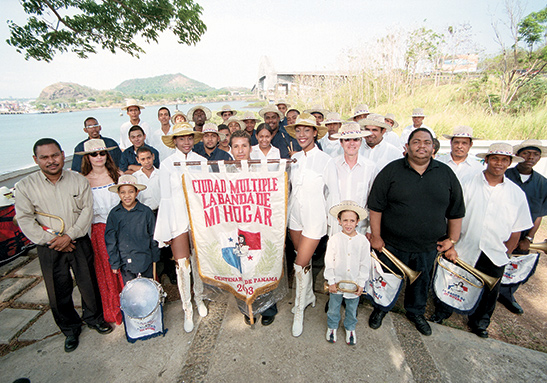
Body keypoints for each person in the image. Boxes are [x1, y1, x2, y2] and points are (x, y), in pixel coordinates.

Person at [15, 138, 112, 353]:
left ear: (63, 154)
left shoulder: (78, 181)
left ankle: (94, 319)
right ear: (36, 159)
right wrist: (53, 241)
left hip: (78, 240)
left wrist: (69, 236)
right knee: (58, 289)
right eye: (45, 157)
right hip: (49, 246)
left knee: (88, 282)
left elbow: (87, 211)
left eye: (55, 155)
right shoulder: (25, 186)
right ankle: (70, 329)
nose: (51, 161)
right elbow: (25, 219)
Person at [367, 128, 465, 336]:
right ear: (407, 146)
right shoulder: (391, 171)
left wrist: (452, 240)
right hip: (392, 244)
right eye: (417, 142)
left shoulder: (445, 173)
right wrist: (376, 236)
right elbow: (375, 207)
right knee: (387, 279)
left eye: (427, 142)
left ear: (433, 147)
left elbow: (456, 211)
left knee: (421, 282)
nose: (422, 146)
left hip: (428, 245)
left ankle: (416, 312)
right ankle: (381, 308)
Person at [430, 143, 532, 338]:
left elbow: (517, 229)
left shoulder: (516, 193)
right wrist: (451, 240)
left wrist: (507, 252)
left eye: (504, 160)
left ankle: (480, 322)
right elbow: (453, 214)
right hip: (465, 244)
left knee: (489, 290)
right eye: (494, 158)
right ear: (487, 160)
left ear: (510, 163)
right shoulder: (467, 182)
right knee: (452, 279)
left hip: (494, 250)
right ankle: (443, 311)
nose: (499, 163)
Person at [285, 113, 339, 337]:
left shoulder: (326, 160)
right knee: (300, 258)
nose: (302, 134)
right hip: (294, 217)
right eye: (298, 130)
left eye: (307, 130)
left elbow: (333, 194)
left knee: (299, 264)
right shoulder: (294, 158)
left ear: (315, 133)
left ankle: (299, 310)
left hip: (315, 218)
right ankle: (307, 296)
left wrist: (333, 226)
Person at [155, 122, 208, 332]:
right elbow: (165, 198)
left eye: (189, 138)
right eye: (181, 138)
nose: (186, 142)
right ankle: (187, 308)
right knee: (182, 266)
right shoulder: (167, 164)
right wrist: (166, 229)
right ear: (174, 141)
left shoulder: (201, 161)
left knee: (198, 263)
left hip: (198, 220)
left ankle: (200, 299)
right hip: (177, 220)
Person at [229, 129, 279, 325]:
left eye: (244, 145)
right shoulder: (225, 171)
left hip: (260, 226)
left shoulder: (261, 169)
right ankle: (247, 307)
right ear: (231, 149)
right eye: (236, 146)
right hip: (236, 227)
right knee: (241, 269)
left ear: (251, 147)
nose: (240, 150)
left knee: (262, 267)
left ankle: (267, 308)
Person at [498, 139, 547, 314]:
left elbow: (539, 214)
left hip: (523, 234)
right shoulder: (503, 174)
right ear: (518, 156)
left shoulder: (543, 183)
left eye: (535, 154)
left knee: (514, 266)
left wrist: (529, 238)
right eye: (526, 153)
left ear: (540, 158)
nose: (530, 157)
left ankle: (506, 294)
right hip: (499, 228)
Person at [78, 139, 124, 326]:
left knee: (125, 266)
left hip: (121, 226)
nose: (99, 157)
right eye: (94, 154)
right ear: (87, 158)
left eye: (102, 153)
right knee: (107, 270)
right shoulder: (83, 181)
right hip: (99, 229)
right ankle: (114, 308)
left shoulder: (117, 174)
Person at [325, 201, 371, 345]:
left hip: (353, 284)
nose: (348, 224)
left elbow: (365, 264)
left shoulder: (363, 241)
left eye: (352, 220)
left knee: (352, 308)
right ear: (339, 221)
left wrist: (361, 283)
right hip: (337, 283)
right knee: (333, 307)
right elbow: (329, 261)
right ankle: (332, 326)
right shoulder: (334, 239)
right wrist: (331, 281)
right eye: (345, 220)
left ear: (358, 222)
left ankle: (350, 327)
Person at [105, 175, 160, 284]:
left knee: (147, 290)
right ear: (118, 193)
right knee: (132, 292)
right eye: (123, 192)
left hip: (145, 260)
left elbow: (153, 236)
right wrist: (115, 262)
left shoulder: (146, 212)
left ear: (137, 192)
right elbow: (111, 240)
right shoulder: (114, 214)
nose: (127, 196)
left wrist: (155, 257)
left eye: (130, 192)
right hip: (126, 263)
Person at [330, 123, 376, 235]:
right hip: (336, 228)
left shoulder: (370, 167)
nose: (351, 143)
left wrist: (370, 229)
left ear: (361, 141)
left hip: (361, 229)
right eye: (347, 140)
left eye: (355, 139)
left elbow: (373, 200)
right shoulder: (331, 164)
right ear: (341, 142)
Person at [134, 146, 161, 212]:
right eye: (143, 159)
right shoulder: (135, 177)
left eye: (149, 158)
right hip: (141, 213)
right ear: (138, 160)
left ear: (153, 156)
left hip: (159, 211)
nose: (147, 162)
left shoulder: (161, 174)